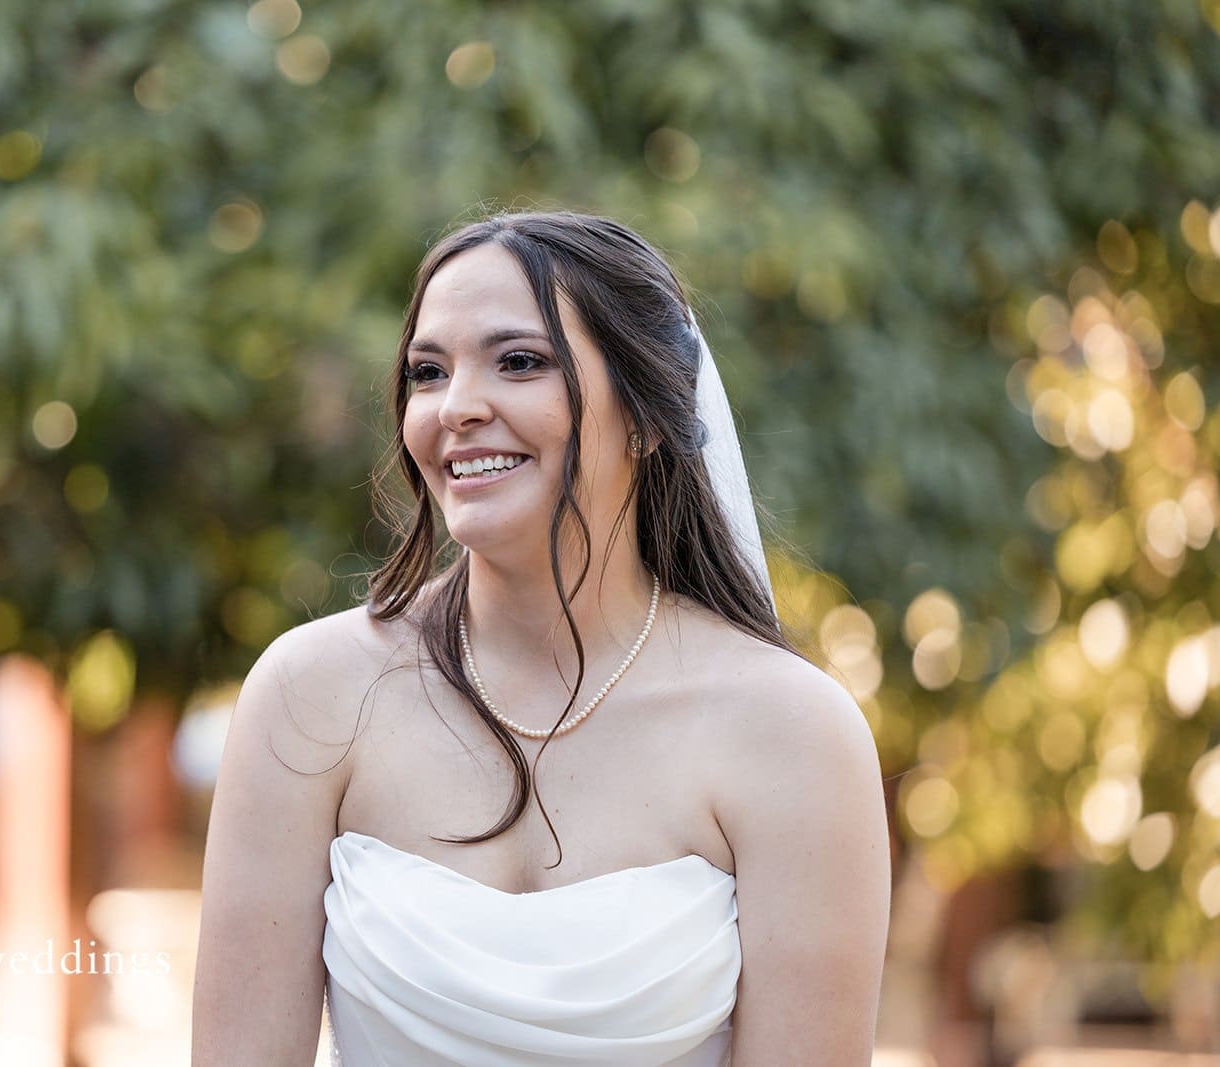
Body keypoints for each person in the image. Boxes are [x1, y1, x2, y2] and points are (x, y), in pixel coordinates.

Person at [192, 209, 891, 1065]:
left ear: (646, 414)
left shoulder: (794, 734)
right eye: (427, 371)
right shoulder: (309, 696)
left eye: (519, 361)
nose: (457, 407)